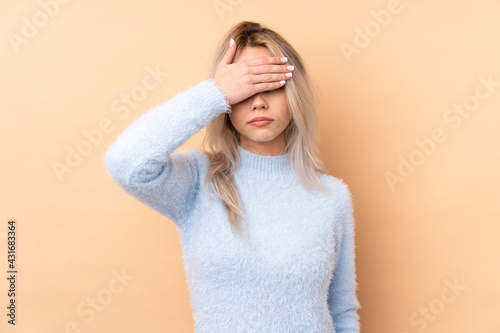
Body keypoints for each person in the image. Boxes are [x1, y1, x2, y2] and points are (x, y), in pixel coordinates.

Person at [104, 20, 360, 333]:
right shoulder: (198, 181)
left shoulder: (332, 197)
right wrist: (214, 92)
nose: (258, 101)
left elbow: (342, 313)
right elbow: (125, 162)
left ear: (294, 95)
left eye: (272, 84)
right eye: (245, 86)